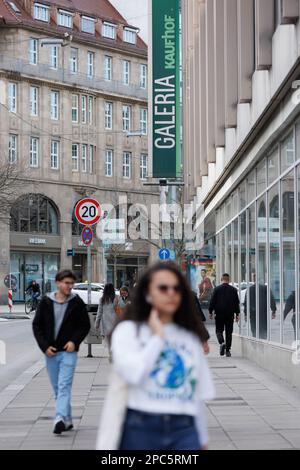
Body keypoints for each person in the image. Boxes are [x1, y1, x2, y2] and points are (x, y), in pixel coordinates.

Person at [110, 261, 215, 451]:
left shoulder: (188, 336)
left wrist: (202, 439)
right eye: (163, 288)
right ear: (148, 293)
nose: (171, 293)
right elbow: (135, 373)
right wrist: (158, 338)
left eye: (176, 288)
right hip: (142, 426)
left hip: (184, 428)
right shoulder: (128, 331)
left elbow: (195, 395)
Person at [32, 270, 90, 435]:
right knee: (58, 388)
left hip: (68, 351)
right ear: (58, 282)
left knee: (64, 386)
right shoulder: (45, 302)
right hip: (51, 352)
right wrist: (44, 347)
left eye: (71, 283)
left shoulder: (76, 302)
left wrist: (74, 341)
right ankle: (68, 419)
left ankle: (59, 418)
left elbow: (84, 325)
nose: (69, 286)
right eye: (66, 283)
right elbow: (37, 326)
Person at [209, 273, 240, 357]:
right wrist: (237, 314)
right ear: (229, 280)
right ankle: (228, 350)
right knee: (229, 332)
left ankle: (222, 342)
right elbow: (236, 303)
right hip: (230, 314)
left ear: (221, 279)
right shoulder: (233, 290)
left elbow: (212, 301)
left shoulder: (216, 289)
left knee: (219, 331)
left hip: (219, 314)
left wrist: (210, 312)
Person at [95, 283, 119, 357]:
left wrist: (97, 323)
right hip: (115, 320)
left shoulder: (102, 299)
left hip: (105, 321)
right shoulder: (116, 298)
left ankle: (110, 351)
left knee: (108, 338)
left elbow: (99, 312)